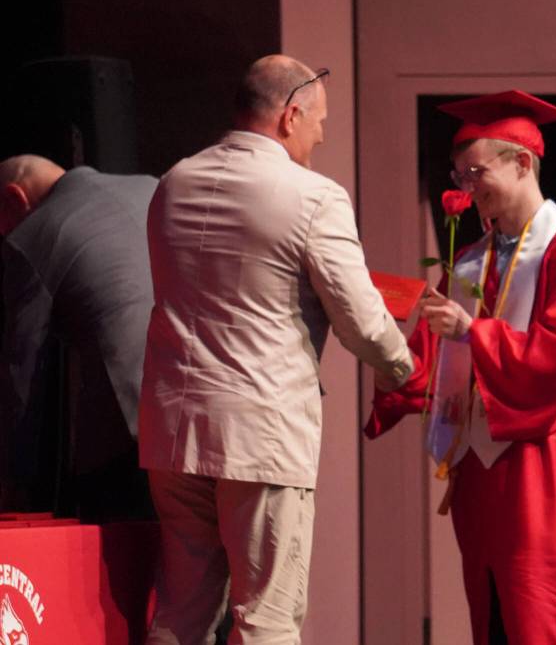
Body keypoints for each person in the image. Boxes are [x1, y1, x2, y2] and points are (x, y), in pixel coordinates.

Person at [139, 54, 413, 644]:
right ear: (290, 116)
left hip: (173, 429)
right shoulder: (313, 196)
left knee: (179, 615)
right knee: (267, 620)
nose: (322, 135)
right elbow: (363, 322)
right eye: (318, 122)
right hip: (259, 433)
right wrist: (402, 369)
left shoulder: (174, 182)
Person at [366, 91, 556, 644]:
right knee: (491, 615)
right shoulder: (467, 261)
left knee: (545, 610)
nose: (466, 187)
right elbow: (429, 363)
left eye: (476, 172)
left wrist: (473, 333)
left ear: (521, 162)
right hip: (478, 470)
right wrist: (388, 361)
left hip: (540, 458)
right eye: (458, 174)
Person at [0, 154, 157, 521]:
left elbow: (23, 372)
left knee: (122, 566)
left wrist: (15, 487)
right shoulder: (151, 186)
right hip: (215, 409)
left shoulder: (34, 234)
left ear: (13, 199)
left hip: (131, 426)